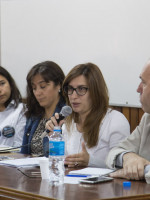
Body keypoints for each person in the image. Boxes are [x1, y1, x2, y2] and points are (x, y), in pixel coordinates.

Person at [46, 62, 130, 168]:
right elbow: (63, 162)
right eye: (70, 89)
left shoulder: (116, 121)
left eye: (81, 89)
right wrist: (55, 138)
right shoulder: (68, 123)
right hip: (71, 182)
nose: (73, 96)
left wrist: (90, 161)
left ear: (96, 91)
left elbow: (122, 166)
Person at [106, 59, 150, 181]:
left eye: (144, 83)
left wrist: (141, 169)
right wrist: (128, 157)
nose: (138, 89)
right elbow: (112, 153)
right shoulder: (147, 118)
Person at [21, 61, 66, 156]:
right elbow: (24, 152)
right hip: (29, 169)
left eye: (43, 86)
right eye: (34, 88)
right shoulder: (34, 114)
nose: (38, 93)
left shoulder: (65, 114)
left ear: (59, 84)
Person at [0, 66, 26, 147]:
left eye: (2, 84)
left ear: (10, 84)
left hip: (12, 158)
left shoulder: (21, 110)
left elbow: (19, 147)